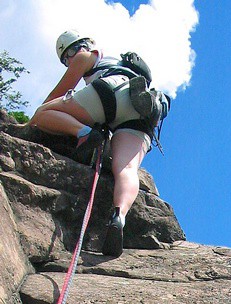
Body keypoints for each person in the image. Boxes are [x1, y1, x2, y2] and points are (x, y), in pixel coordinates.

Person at [30, 30, 154, 257]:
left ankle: (86, 133)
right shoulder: (118, 61)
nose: (69, 62)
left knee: (41, 114)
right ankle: (119, 216)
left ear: (71, 49)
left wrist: (31, 122)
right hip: (139, 111)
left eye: (66, 59)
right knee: (126, 169)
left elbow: (58, 93)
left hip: (110, 91)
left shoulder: (85, 55)